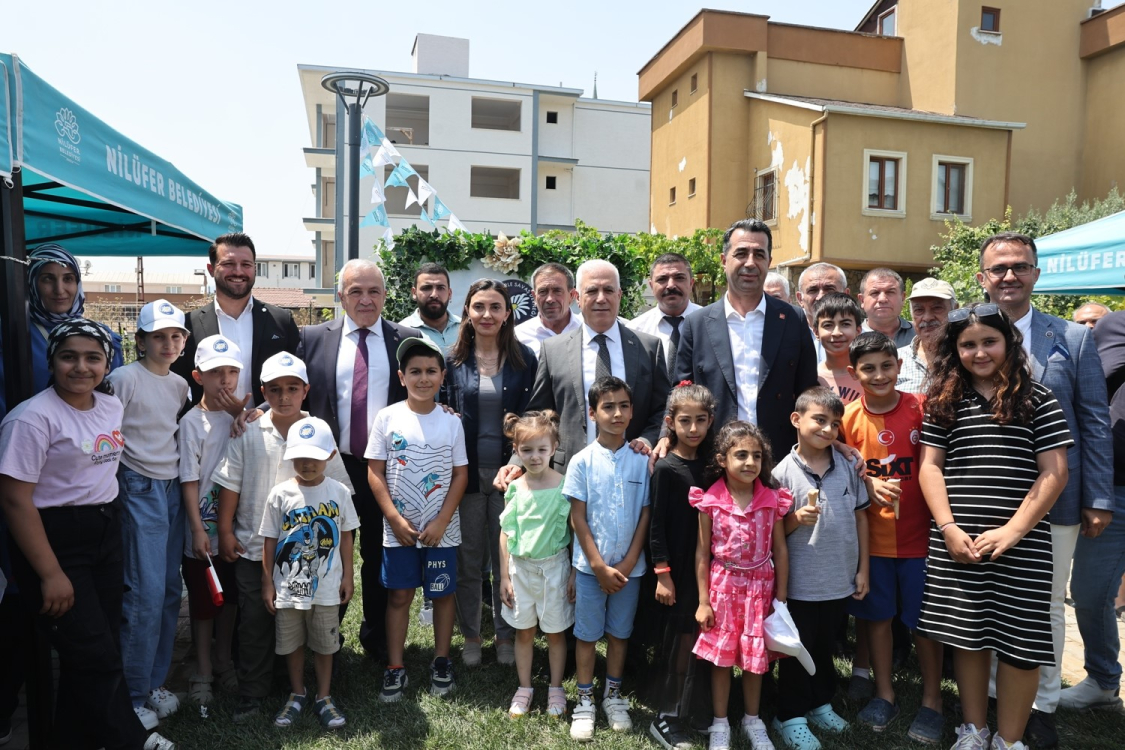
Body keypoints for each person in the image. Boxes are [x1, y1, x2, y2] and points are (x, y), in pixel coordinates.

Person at [0, 321, 167, 750]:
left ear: (107, 364)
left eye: (93, 358)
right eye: (68, 356)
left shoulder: (110, 406)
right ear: (52, 361)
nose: (81, 367)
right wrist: (50, 573)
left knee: (92, 651)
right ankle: (132, 741)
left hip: (105, 533)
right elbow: (15, 501)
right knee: (95, 654)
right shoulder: (31, 419)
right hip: (55, 541)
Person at [976, 232, 1112, 749]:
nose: (1009, 276)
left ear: (1036, 273)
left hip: (1055, 496)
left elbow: (1093, 419)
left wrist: (1098, 496)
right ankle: (994, 699)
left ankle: (1041, 706)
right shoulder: (967, 330)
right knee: (988, 598)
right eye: (999, 268)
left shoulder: (1072, 338)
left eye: (1020, 266)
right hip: (986, 491)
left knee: (1045, 604)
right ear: (983, 277)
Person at [916, 303, 1072, 750]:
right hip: (958, 542)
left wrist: (1013, 531)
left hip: (1022, 544)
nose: (979, 352)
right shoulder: (943, 402)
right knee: (968, 638)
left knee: (1021, 645)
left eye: (990, 341)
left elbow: (1054, 472)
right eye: (968, 345)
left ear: (1009, 343)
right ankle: (974, 729)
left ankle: (1009, 739)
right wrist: (947, 527)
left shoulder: (1038, 399)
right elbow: (930, 467)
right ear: (955, 350)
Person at [214, 351, 353, 722]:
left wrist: (343, 562)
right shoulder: (249, 430)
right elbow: (230, 483)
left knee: (310, 615)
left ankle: (307, 685)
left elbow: (340, 495)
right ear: (263, 392)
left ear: (305, 390)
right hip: (255, 547)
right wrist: (225, 530)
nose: (284, 396)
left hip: (311, 554)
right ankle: (253, 691)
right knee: (255, 622)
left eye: (293, 388)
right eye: (274, 389)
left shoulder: (319, 430)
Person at [299, 258, 420, 660]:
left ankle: (378, 639)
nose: (365, 299)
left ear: (385, 295)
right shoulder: (312, 338)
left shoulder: (406, 338)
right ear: (341, 297)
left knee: (378, 553)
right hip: (332, 465)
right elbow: (292, 392)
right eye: (356, 291)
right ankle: (325, 641)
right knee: (327, 549)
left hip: (386, 469)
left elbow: (425, 386)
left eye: (373, 291)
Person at [842, 332, 944, 744]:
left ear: (900, 367)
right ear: (854, 373)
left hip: (923, 540)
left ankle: (933, 699)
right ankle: (884, 693)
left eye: (887, 366)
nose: (879, 375)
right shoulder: (847, 419)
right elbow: (842, 471)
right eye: (868, 369)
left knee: (925, 623)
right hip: (873, 544)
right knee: (877, 619)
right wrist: (868, 485)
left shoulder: (922, 408)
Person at [497, 258, 669, 488]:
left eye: (608, 290)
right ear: (577, 297)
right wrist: (518, 460)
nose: (601, 298)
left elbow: (663, 408)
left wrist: (647, 439)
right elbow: (539, 414)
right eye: (592, 291)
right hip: (571, 476)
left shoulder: (648, 348)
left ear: (619, 295)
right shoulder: (554, 350)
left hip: (633, 474)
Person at [366, 337, 468, 702]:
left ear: (442, 376)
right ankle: (395, 666)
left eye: (430, 371)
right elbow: (374, 471)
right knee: (399, 595)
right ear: (401, 376)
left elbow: (460, 474)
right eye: (415, 372)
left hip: (442, 530)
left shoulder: (451, 422)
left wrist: (442, 520)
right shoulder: (387, 418)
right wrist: (393, 518)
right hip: (400, 531)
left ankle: (441, 661)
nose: (423, 378)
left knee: (442, 593)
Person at [443, 280, 537, 667]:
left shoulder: (524, 360)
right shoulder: (451, 361)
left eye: (495, 307)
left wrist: (517, 461)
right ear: (467, 311)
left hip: (508, 475)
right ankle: (470, 634)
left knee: (507, 560)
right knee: (468, 560)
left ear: (507, 314)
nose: (487, 315)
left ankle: (504, 634)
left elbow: (532, 416)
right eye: (479, 306)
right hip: (463, 475)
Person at [107, 300, 190, 731]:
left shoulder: (179, 384)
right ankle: (132, 694)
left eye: (175, 336)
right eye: (158, 336)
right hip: (138, 486)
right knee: (144, 593)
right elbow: (104, 431)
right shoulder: (123, 379)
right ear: (140, 341)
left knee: (170, 590)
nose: (168, 343)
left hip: (172, 487)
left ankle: (154, 681)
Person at [772, 387, 870, 750]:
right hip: (799, 582)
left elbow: (861, 518)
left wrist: (863, 569)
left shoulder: (847, 467)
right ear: (796, 420)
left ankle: (819, 703)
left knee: (826, 644)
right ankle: (789, 715)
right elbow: (773, 533)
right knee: (798, 649)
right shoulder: (780, 474)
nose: (828, 429)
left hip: (839, 578)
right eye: (819, 420)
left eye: (834, 423)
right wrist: (795, 519)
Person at [674, 220, 819, 458]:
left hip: (780, 457)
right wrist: (666, 437)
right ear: (724, 260)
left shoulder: (793, 320)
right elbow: (681, 393)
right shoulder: (696, 324)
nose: (750, 263)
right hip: (716, 457)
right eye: (741, 253)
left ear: (769, 262)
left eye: (759, 254)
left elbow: (808, 392)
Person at [692, 421, 791, 750]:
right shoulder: (710, 501)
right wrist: (703, 601)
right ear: (722, 460)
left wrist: (781, 599)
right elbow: (702, 554)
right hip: (722, 589)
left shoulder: (772, 500)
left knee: (754, 658)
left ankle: (752, 719)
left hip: (761, 589)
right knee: (721, 659)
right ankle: (720, 723)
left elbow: (780, 550)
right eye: (742, 455)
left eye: (757, 456)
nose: (750, 462)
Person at [565, 376, 652, 742]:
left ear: (632, 411)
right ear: (592, 413)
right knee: (586, 635)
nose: (617, 413)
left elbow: (646, 513)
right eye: (608, 407)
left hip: (630, 570)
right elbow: (578, 517)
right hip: (590, 570)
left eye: (624, 406)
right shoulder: (581, 462)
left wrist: (630, 561)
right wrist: (598, 565)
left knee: (619, 634)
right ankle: (584, 699)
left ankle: (613, 695)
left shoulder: (642, 461)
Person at [259, 416, 359, 730]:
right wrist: (267, 582)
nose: (307, 463)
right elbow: (269, 539)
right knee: (291, 643)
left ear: (330, 455)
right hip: (288, 589)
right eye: (300, 456)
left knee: (325, 644)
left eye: (315, 456)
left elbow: (346, 535)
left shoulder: (339, 492)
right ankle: (297, 693)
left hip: (326, 589)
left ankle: (324, 696)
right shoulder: (280, 494)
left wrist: (348, 576)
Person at [646, 383, 717, 748]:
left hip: (708, 570)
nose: (693, 428)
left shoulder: (714, 467)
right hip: (676, 573)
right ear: (670, 422)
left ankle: (697, 708)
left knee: (704, 640)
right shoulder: (666, 469)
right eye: (685, 421)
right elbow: (655, 525)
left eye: (700, 420)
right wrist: (663, 573)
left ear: (711, 421)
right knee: (679, 642)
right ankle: (666, 715)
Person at [1062, 310, 1125, 711]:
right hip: (1116, 487)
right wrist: (1097, 492)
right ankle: (1103, 680)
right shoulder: (1113, 327)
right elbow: (1089, 404)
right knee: (1090, 591)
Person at [497, 410, 574, 720]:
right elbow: (506, 532)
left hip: (555, 569)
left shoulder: (565, 486)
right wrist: (504, 576)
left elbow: (575, 533)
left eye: (542, 449)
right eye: (527, 450)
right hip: (520, 571)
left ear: (554, 448)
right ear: (516, 450)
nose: (535, 456)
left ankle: (556, 687)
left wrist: (574, 574)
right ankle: (525, 687)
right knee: (524, 631)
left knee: (555, 633)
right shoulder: (516, 487)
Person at [178, 335, 243, 705]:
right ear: (198, 376)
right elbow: (189, 480)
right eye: (216, 372)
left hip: (235, 531)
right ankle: (202, 667)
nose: (225, 379)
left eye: (232, 371)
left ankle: (223, 659)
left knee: (230, 598)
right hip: (203, 532)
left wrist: (243, 416)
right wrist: (196, 528)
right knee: (203, 604)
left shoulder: (243, 418)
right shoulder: (192, 423)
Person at [173, 232, 300, 407]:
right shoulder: (188, 325)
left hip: (268, 422)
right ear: (211, 269)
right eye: (228, 264)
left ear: (255, 268)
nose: (238, 271)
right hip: (205, 424)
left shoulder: (281, 321)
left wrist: (262, 412)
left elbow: (297, 380)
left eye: (246, 264)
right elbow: (176, 386)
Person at [628, 253, 703, 376]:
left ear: (691, 283)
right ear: (651, 285)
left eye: (679, 278)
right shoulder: (635, 331)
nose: (671, 285)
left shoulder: (710, 324)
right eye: (662, 279)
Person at [896, 278, 957, 395]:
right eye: (919, 310)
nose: (927, 317)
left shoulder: (966, 356)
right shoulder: (895, 360)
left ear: (955, 310)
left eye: (937, 308)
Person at [515, 262, 582, 357]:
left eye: (557, 291)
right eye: (543, 291)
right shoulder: (518, 336)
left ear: (571, 295)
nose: (550, 299)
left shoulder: (588, 330)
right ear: (534, 297)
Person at [814, 293, 864, 405]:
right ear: (816, 332)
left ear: (858, 330)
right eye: (828, 325)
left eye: (845, 324)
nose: (837, 333)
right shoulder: (812, 377)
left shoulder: (870, 374)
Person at [796, 262, 849, 364]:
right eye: (813, 290)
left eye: (829, 289)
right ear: (800, 299)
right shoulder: (786, 335)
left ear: (846, 295)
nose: (820, 296)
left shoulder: (861, 338)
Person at [399, 262, 461, 350]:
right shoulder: (402, 332)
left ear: (449, 293)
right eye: (426, 288)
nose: (434, 295)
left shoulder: (465, 328)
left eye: (440, 288)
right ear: (414, 293)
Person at [858, 268, 914, 350]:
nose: (882, 299)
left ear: (903, 298)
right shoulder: (852, 337)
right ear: (862, 300)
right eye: (875, 293)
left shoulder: (921, 334)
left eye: (890, 292)